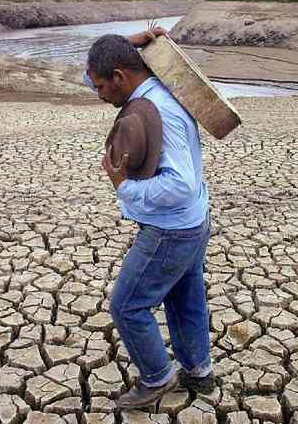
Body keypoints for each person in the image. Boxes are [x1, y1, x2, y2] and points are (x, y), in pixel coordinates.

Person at [84, 28, 215, 409]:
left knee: (127, 306)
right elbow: (97, 70)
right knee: (185, 299)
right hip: (191, 223)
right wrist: (128, 43)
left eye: (99, 87)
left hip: (171, 229)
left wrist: (124, 186)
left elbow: (182, 185)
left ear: (120, 78)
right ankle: (198, 371)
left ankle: (157, 376)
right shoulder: (155, 87)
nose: (97, 94)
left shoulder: (159, 110)